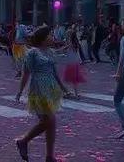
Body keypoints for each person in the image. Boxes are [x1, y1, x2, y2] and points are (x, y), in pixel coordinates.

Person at [15, 25, 72, 162]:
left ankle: (50, 156)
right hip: (38, 88)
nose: (52, 37)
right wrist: (20, 91)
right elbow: (26, 73)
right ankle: (24, 140)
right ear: (43, 38)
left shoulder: (51, 52)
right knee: (48, 120)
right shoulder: (32, 53)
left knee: (51, 122)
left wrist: (63, 88)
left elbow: (54, 72)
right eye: (49, 35)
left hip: (51, 89)